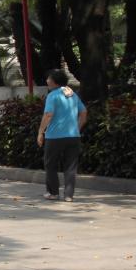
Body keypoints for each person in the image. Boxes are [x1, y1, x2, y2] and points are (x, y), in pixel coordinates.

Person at [37, 70, 88, 202]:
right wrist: (77, 128)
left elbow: (48, 115)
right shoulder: (73, 95)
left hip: (54, 136)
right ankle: (68, 195)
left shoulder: (52, 96)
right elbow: (84, 113)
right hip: (73, 136)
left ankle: (53, 193)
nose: (47, 80)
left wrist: (40, 132)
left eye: (48, 78)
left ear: (54, 81)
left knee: (51, 165)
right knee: (70, 166)